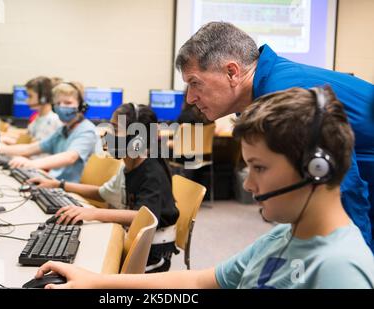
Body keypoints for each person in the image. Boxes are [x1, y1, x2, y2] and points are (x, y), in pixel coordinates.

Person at [34, 87, 374, 289]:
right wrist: (98, 282)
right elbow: (198, 282)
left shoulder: (338, 269)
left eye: (259, 167)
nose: (248, 183)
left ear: (316, 170)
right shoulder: (282, 237)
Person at [175, 21, 374, 251]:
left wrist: (356, 255)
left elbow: (339, 187)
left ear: (232, 72)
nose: (190, 98)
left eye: (195, 83)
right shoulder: (265, 93)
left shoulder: (284, 94)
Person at [30, 103, 180, 272]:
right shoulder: (129, 164)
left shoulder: (152, 170)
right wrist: (60, 185)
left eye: (115, 129)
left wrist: (93, 213)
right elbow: (102, 193)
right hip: (136, 241)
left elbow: (143, 216)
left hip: (152, 254)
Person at [0, 81, 97, 183]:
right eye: (58, 103)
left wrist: (31, 164)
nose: (61, 107)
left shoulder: (87, 130)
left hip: (70, 189)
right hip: (54, 182)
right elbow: (30, 148)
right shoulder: (62, 131)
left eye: (68, 103)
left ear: (81, 106)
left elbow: (70, 157)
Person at [25, 76, 63, 142]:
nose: (27, 101)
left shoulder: (55, 121)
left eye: (30, 96)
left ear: (43, 98)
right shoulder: (37, 119)